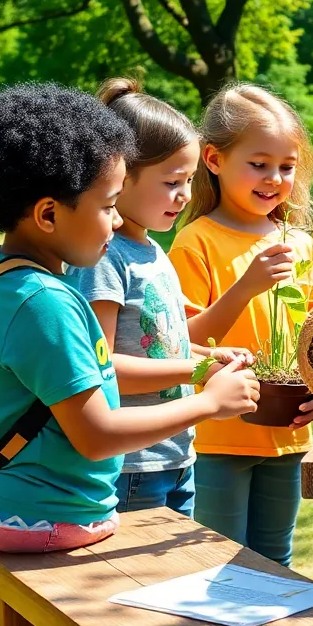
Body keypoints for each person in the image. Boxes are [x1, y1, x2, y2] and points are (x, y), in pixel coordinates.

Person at [0, 83, 258, 553]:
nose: (116, 223)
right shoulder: (43, 303)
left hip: (16, 504)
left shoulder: (6, 275)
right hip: (45, 517)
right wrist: (209, 401)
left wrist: (201, 359)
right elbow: (97, 435)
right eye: (108, 205)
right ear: (48, 214)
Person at [69, 79, 254, 517]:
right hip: (132, 465)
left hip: (175, 456)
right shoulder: (105, 257)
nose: (186, 195)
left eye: (190, 180)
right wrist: (202, 368)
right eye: (172, 181)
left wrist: (210, 355)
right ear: (118, 177)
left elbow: (156, 346)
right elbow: (105, 365)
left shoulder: (153, 251)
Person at [170, 84, 313, 567]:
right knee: (220, 562)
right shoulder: (195, 241)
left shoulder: (299, 243)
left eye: (286, 166)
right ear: (214, 160)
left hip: (288, 435)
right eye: (258, 164)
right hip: (218, 435)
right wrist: (246, 285)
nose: (274, 178)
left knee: (275, 560)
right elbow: (182, 344)